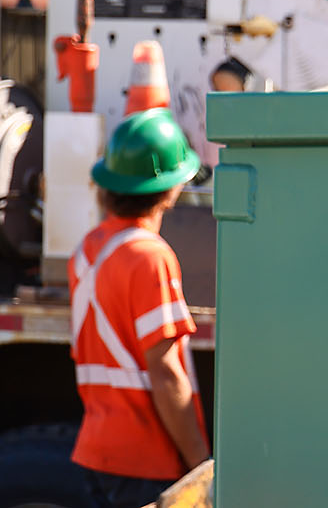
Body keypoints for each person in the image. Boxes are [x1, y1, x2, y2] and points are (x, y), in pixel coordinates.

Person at [69, 108, 209, 508]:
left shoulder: (87, 251)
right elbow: (165, 373)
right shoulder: (150, 256)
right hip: (145, 461)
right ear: (171, 188)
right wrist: (200, 466)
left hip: (97, 452)